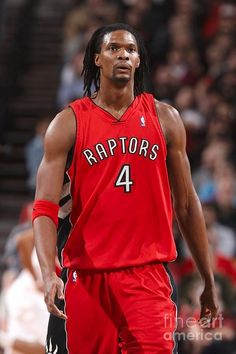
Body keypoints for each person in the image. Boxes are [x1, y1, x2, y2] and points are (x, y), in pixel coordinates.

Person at [32, 23, 218, 354]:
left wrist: (208, 277)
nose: (123, 55)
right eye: (114, 48)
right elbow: (44, 208)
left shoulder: (165, 119)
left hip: (147, 276)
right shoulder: (68, 123)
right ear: (96, 59)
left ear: (138, 62)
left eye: (131, 50)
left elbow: (187, 204)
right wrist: (49, 273)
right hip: (87, 277)